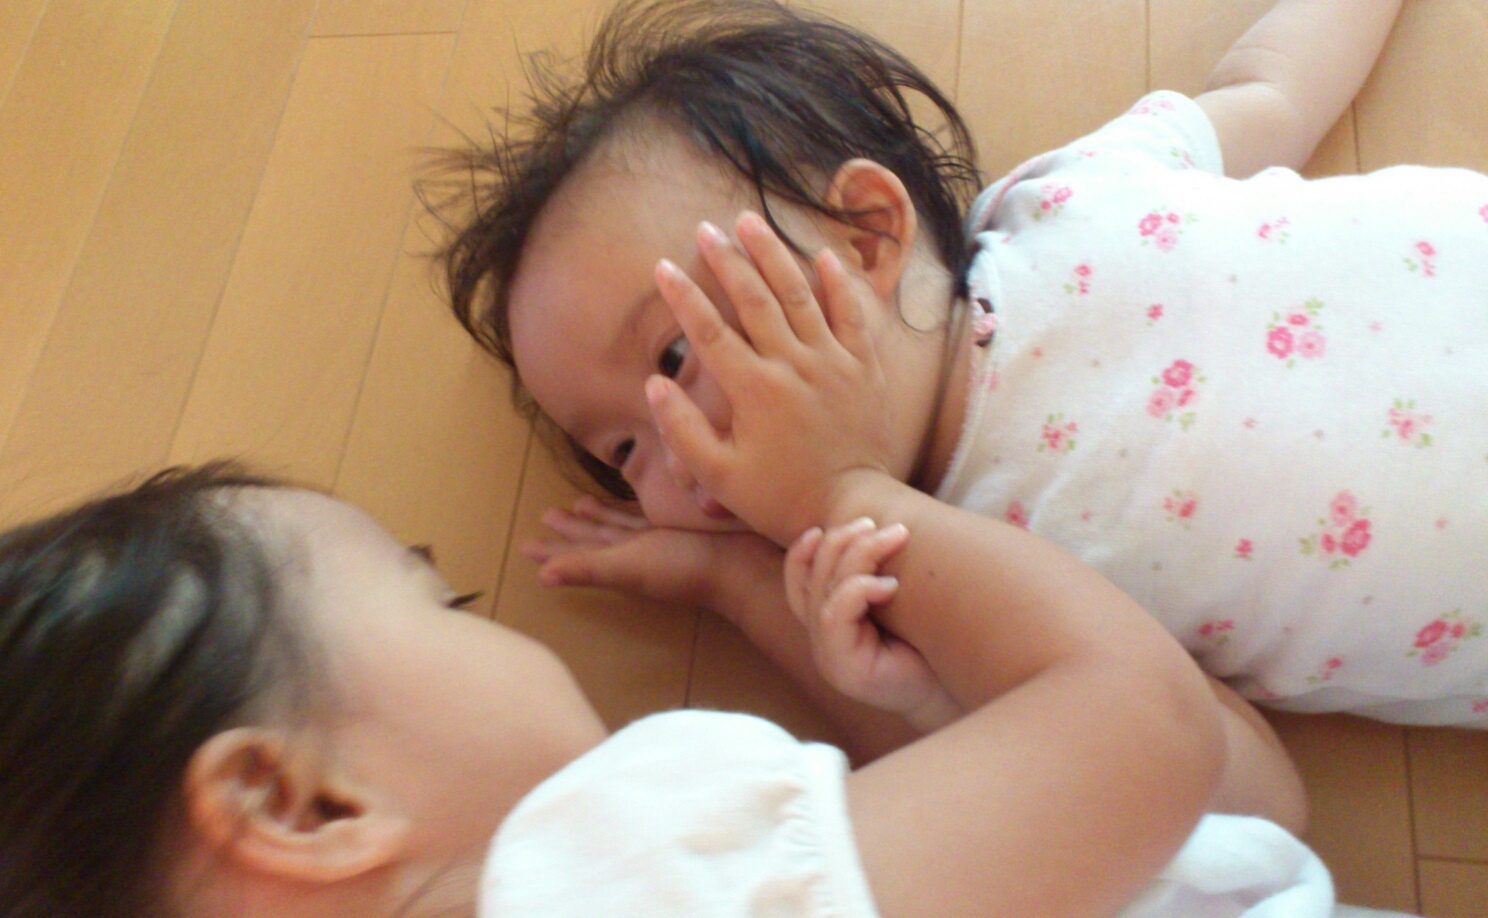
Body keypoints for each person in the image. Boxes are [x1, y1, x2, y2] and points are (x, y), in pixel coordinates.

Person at [433, 0, 1488, 751]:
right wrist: (743, 586)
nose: (680, 453)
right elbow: (1180, 764)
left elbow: (1268, 90)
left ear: (866, 233)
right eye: (622, 450)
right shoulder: (928, 587)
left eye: (675, 357)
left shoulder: (1061, 196)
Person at [0, 461, 1333, 918]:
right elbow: (1147, 730)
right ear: (300, 803)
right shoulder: (614, 864)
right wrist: (837, 488)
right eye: (438, 597)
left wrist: (761, 607)